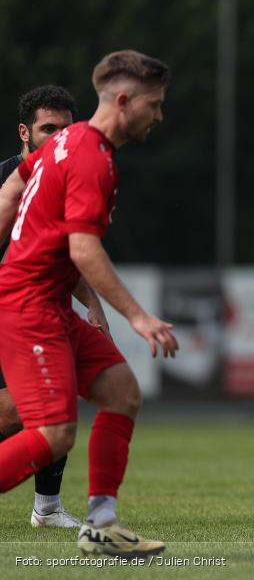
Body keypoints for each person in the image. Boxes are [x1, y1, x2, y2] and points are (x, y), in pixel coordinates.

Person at [0, 50, 178, 557]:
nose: (159, 116)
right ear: (124, 102)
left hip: (47, 303)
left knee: (121, 391)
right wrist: (138, 316)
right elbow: (83, 249)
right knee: (54, 434)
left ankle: (101, 523)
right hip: (29, 306)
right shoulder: (89, 156)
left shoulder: (69, 141)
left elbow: (14, 185)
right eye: (154, 104)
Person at [0, 85, 111, 528]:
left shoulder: (74, 183)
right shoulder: (7, 182)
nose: (60, 137)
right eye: (49, 129)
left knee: (52, 403)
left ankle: (47, 507)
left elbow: (74, 255)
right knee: (24, 410)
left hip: (42, 312)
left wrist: (94, 305)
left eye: (67, 129)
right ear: (25, 132)